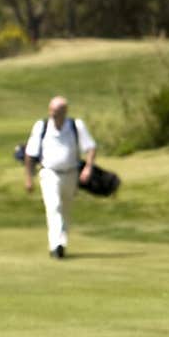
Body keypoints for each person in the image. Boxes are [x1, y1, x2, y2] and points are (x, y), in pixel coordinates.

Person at [24, 95, 97, 259]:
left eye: (56, 111)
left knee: (65, 209)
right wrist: (29, 178)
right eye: (51, 110)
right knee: (54, 206)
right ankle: (56, 245)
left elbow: (90, 147)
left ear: (65, 112)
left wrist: (88, 168)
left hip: (71, 173)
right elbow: (30, 154)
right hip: (49, 173)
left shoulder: (76, 126)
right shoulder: (41, 126)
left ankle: (61, 243)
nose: (53, 114)